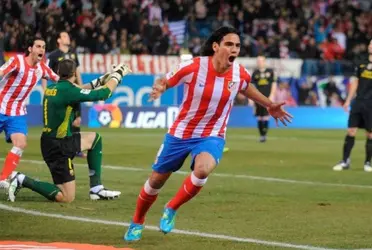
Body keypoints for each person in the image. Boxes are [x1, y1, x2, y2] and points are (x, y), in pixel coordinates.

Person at [123, 26, 292, 242]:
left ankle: (172, 207)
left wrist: (269, 104)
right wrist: (159, 88)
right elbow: (165, 80)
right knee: (156, 181)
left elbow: (246, 87)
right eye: (229, 44)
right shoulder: (193, 67)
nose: (234, 49)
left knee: (203, 170)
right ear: (216, 46)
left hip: (212, 134)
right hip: (181, 133)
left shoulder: (239, 73)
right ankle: (137, 221)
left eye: (237, 45)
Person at [7, 59, 131, 202]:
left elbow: (80, 89)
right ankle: (21, 179)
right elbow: (103, 94)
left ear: (58, 73)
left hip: (56, 140)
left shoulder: (54, 88)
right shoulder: (68, 91)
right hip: (58, 147)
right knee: (66, 197)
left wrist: (104, 77)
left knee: (95, 139)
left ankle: (96, 189)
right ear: (74, 73)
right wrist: (118, 75)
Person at [0, 37, 59, 189]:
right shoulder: (16, 61)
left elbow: (60, 80)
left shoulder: (42, 68)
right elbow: (1, 72)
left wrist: (90, 87)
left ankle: (3, 178)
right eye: (38, 46)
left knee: (20, 143)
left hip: (17, 113)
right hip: (0, 107)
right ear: (30, 49)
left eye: (44, 47)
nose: (41, 50)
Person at [42, 31, 86, 157]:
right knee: (63, 119)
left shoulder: (73, 53)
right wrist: (45, 89)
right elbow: (45, 72)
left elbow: (77, 71)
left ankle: (76, 149)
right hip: (61, 90)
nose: (68, 38)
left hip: (74, 89)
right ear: (59, 40)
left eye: (68, 35)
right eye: (65, 36)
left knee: (77, 120)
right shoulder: (53, 55)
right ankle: (59, 146)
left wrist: (81, 86)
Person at [333, 39, 372, 172]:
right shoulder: (361, 63)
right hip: (359, 102)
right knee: (351, 131)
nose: (370, 46)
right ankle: (345, 161)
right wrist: (348, 100)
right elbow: (355, 82)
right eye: (370, 43)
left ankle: (367, 162)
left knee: (370, 134)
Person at [251, 55, 277, 142]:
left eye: (261, 61)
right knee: (259, 117)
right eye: (258, 61)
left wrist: (272, 95)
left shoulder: (270, 72)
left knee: (266, 116)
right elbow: (252, 86)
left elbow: (273, 84)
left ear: (265, 62)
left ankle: (264, 135)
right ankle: (261, 135)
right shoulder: (255, 73)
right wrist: (251, 98)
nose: (259, 62)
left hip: (267, 98)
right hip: (258, 98)